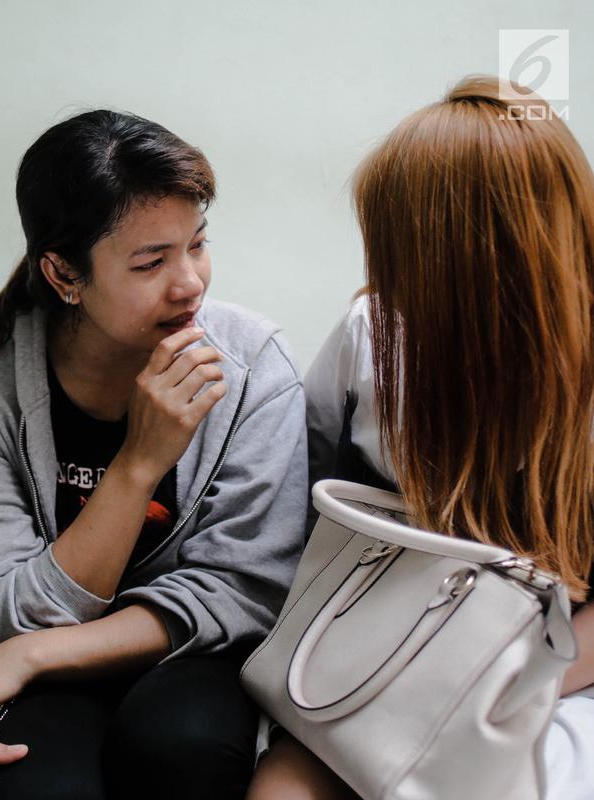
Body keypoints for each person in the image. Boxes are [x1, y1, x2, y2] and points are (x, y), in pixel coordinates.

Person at [245, 76, 594, 799]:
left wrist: (486, 690)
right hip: (378, 658)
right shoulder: (371, 334)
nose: (383, 274)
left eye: (401, 248)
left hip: (555, 678)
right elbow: (306, 510)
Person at [0, 110, 307, 800]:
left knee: (183, 748)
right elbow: (8, 603)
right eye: (151, 262)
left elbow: (244, 590)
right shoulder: (2, 382)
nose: (190, 281)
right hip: (44, 673)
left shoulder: (252, 366)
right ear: (63, 273)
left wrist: (28, 654)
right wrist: (139, 463)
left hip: (194, 655)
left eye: (197, 245)